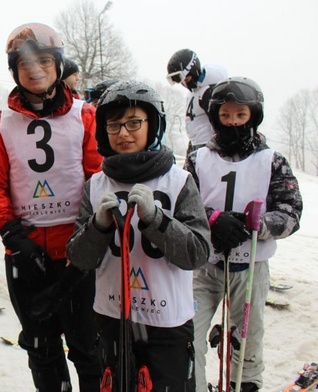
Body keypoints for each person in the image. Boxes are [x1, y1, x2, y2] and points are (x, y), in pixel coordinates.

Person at [0, 22, 103, 391]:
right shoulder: (2, 124)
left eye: (44, 61)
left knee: (88, 347)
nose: (35, 69)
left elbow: (97, 177)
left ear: (58, 65)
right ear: (15, 71)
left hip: (78, 251)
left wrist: (88, 239)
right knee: (40, 347)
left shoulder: (85, 115)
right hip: (25, 250)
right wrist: (13, 235)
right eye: (25, 64)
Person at [66, 80, 210, 391]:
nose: (123, 133)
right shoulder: (96, 185)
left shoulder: (179, 181)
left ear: (153, 124)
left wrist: (157, 220)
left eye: (134, 123)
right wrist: (98, 227)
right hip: (112, 319)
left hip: (166, 324)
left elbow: (198, 253)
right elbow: (79, 258)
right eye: (114, 125)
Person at [184, 77, 303, 392]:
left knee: (247, 337)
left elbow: (291, 211)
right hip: (206, 265)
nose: (233, 122)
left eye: (240, 115)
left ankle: (245, 383)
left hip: (249, 267)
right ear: (215, 117)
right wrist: (213, 219)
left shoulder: (271, 161)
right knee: (188, 334)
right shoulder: (199, 158)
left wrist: (256, 226)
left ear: (253, 115)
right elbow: (185, 206)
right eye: (225, 116)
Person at [166, 48, 227, 155]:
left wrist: (219, 147)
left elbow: (220, 123)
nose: (185, 84)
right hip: (195, 145)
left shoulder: (209, 92)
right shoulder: (194, 92)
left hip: (209, 146)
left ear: (193, 72)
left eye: (187, 79)